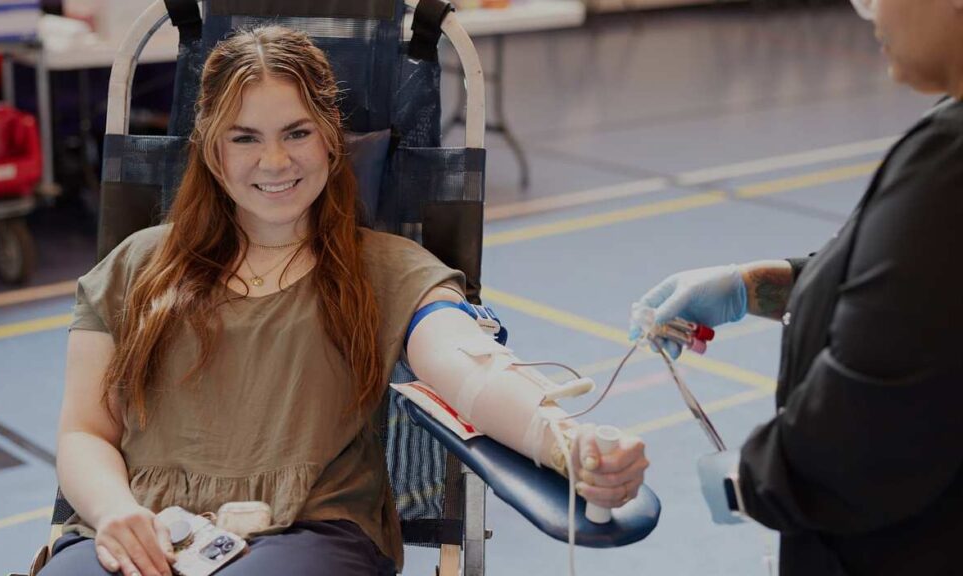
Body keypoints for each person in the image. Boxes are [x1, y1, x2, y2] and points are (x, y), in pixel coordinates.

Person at [42, 26, 648, 576]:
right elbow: (85, 432)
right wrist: (116, 513)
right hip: (139, 523)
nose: (275, 161)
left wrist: (567, 445)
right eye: (245, 137)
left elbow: (470, 369)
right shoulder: (133, 267)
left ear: (332, 138)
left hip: (310, 531)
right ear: (210, 148)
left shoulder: (385, 268)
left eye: (297, 132)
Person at [628, 1, 963, 574]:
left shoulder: (949, 166)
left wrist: (749, 479)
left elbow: (863, 420)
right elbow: (919, 290)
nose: (870, 12)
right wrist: (754, 285)